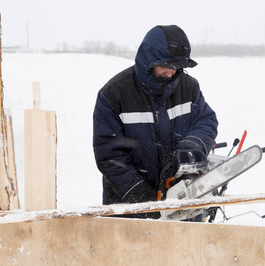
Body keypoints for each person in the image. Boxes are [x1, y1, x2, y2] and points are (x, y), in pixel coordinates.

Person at [93, 25, 218, 219]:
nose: (171, 72)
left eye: (176, 66)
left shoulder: (188, 87)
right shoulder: (114, 95)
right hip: (128, 211)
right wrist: (145, 201)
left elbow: (206, 120)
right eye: (166, 66)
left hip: (181, 206)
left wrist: (191, 147)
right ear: (148, 61)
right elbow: (109, 156)